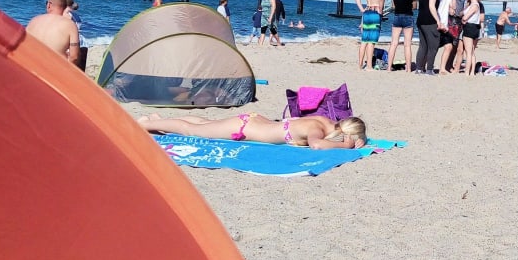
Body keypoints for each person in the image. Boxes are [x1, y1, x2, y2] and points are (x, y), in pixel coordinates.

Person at [137, 112, 367, 150]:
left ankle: (160, 121)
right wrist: (344, 145)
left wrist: (356, 138)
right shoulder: (316, 129)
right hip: (244, 127)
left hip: (253, 121)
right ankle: (145, 125)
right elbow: (317, 145)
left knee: (205, 123)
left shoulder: (325, 121)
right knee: (192, 131)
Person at [26, 0, 80, 65]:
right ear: (65, 7)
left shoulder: (33, 21)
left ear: (49, 5)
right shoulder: (70, 25)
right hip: (54, 68)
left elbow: (23, 46)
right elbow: (74, 57)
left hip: (31, 65)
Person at [355, 0, 386, 69]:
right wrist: (381, 10)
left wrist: (361, 9)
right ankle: (368, 66)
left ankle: (360, 65)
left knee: (364, 40)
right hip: (375, 12)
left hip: (367, 12)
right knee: (371, 41)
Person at [386, 0, 417, 73]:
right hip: (408, 16)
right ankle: (408, 68)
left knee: (394, 43)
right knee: (407, 45)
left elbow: (393, 6)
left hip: (397, 16)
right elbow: (415, 7)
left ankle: (389, 67)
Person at [414, 0, 442, 74]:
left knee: (423, 46)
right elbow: (431, 6)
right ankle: (429, 69)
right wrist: (438, 20)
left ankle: (419, 68)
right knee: (433, 46)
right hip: (430, 21)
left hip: (421, 21)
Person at [459, 0, 483, 76]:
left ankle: (467, 72)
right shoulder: (475, 5)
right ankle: (472, 72)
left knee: (468, 52)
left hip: (469, 27)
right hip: (475, 28)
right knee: (472, 52)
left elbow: (465, 17)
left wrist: (463, 19)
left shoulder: (474, 5)